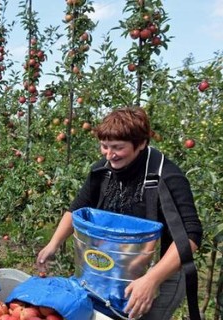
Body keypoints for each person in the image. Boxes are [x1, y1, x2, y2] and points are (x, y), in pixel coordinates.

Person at [36, 107, 203, 320]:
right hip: (111, 269)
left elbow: (191, 235)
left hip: (158, 274)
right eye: (104, 146)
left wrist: (151, 279)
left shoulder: (167, 177)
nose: (109, 154)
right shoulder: (102, 171)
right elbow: (77, 207)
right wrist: (54, 244)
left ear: (141, 143)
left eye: (117, 147)